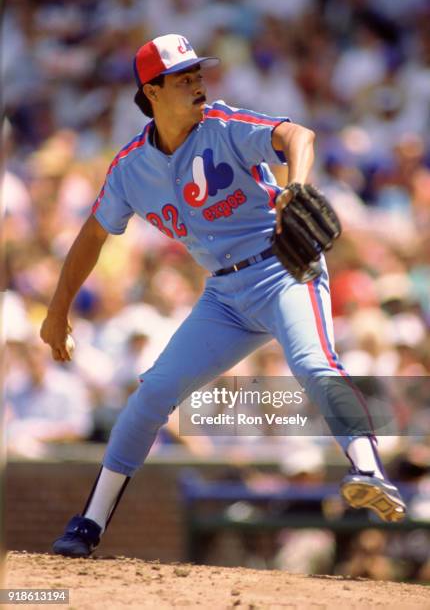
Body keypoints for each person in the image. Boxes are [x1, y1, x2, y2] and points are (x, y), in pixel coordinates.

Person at [40, 34, 405, 558]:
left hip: (284, 268)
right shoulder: (129, 169)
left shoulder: (223, 125)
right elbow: (91, 237)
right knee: (150, 395)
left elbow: (297, 135)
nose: (198, 85)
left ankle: (369, 470)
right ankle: (88, 524)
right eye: (184, 78)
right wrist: (57, 312)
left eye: (199, 74)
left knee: (312, 362)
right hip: (224, 299)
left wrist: (296, 188)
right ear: (152, 91)